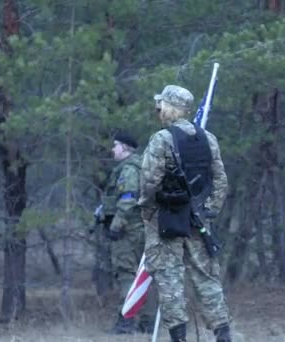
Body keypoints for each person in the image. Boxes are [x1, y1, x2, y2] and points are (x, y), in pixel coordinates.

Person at [139, 85, 232, 342]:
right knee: (207, 279)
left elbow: (148, 182)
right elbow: (221, 180)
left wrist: (148, 212)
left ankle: (178, 337)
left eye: (161, 106)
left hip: (167, 219)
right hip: (198, 219)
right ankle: (223, 334)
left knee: (169, 279)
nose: (158, 111)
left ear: (171, 108)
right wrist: (210, 210)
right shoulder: (208, 138)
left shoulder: (162, 139)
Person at [100, 131, 156, 334]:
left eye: (115, 145)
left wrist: (116, 225)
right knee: (144, 274)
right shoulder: (137, 167)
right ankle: (148, 323)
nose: (112, 149)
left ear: (124, 147)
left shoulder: (129, 170)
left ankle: (126, 322)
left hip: (129, 230)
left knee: (126, 274)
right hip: (141, 228)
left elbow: (128, 199)